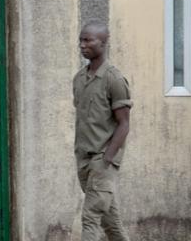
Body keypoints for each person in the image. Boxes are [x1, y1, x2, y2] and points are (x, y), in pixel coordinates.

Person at [73, 21, 133, 241]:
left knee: (90, 217)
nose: (82, 45)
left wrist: (106, 160)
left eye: (88, 40)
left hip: (102, 160)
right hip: (84, 161)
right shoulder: (79, 79)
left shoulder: (114, 79)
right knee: (112, 223)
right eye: (81, 39)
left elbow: (124, 124)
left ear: (104, 42)